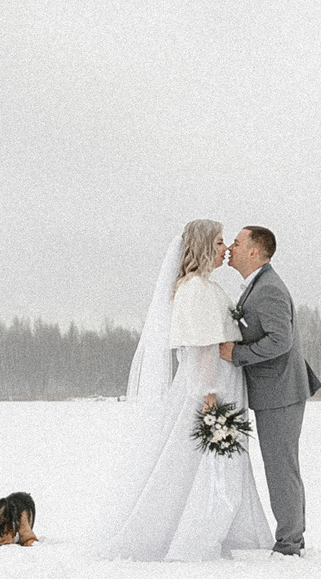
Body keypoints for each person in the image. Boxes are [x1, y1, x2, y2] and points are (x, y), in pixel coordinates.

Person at [93, 219, 276, 561]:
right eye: (219, 242)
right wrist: (210, 394)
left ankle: (222, 532)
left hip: (221, 381)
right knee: (213, 461)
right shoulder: (196, 289)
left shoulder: (203, 287)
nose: (226, 249)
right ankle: (198, 535)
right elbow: (201, 347)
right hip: (213, 386)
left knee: (216, 460)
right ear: (204, 247)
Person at [221, 224, 314, 555]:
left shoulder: (269, 289)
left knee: (280, 468)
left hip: (281, 392)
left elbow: (280, 340)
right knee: (280, 466)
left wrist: (237, 354)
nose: (230, 247)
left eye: (236, 242)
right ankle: (292, 538)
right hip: (274, 391)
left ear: (254, 251)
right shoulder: (257, 286)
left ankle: (289, 544)